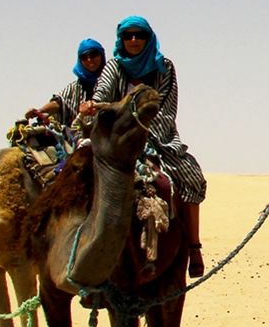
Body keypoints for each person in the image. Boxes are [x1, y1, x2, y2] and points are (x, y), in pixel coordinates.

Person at [85, 15, 208, 277]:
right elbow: (102, 96)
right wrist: (93, 106)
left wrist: (142, 130)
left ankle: (194, 247)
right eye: (127, 35)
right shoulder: (115, 67)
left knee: (191, 177)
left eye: (139, 35)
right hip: (116, 137)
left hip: (157, 137)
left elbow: (166, 109)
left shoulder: (164, 67)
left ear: (148, 38)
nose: (133, 40)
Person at [28, 38, 107, 127]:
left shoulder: (113, 81)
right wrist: (39, 111)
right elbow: (59, 102)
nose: (89, 60)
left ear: (101, 55)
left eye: (93, 55)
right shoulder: (75, 87)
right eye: (84, 57)